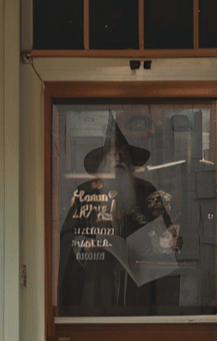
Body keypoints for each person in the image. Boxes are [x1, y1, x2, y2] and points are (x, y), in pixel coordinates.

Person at [58, 115, 181, 314]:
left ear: (131, 163)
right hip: (97, 286)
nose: (118, 160)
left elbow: (166, 232)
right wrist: (83, 245)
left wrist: (171, 240)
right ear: (103, 162)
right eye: (112, 155)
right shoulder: (86, 193)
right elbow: (67, 237)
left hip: (137, 289)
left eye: (123, 155)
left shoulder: (146, 191)